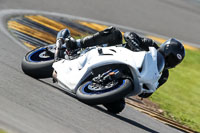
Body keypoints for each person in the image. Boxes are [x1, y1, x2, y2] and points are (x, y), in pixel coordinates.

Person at [54, 26, 185, 98]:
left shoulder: (163, 75)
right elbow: (129, 35)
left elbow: (148, 93)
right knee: (115, 33)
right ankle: (76, 44)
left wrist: (145, 91)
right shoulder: (150, 45)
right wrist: (138, 48)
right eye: (171, 57)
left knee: (118, 107)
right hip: (115, 54)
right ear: (165, 49)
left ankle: (97, 87)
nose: (170, 61)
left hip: (126, 79)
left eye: (174, 61)